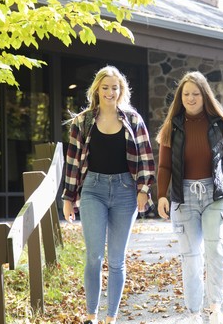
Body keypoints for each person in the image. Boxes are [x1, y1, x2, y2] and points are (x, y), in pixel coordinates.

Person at [156, 71, 223, 324]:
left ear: (204, 96)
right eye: (186, 94)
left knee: (216, 250)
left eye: (196, 94)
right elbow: (164, 166)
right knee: (190, 258)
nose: (191, 98)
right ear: (181, 97)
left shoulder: (217, 124)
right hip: (184, 197)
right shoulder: (172, 126)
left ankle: (215, 309)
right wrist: (161, 196)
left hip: (215, 194)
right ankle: (194, 313)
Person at [62, 66, 155, 324]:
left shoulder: (133, 120)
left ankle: (110, 318)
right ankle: (91, 315)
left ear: (121, 90)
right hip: (93, 190)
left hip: (126, 192)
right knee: (94, 255)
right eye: (105, 87)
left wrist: (143, 190)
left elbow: (147, 159)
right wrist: (68, 198)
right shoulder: (83, 121)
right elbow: (72, 162)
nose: (110, 92)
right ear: (97, 90)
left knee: (116, 259)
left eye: (115, 88)